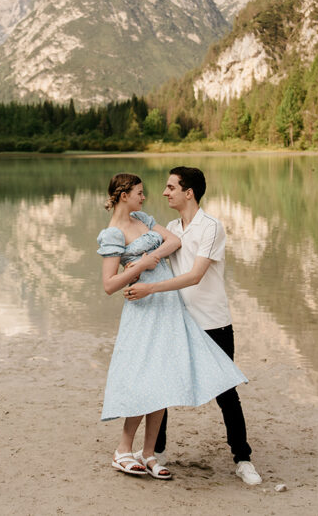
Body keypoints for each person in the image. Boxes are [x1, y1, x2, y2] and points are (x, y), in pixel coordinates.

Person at [97, 173, 248, 480]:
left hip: (178, 307)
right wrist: (139, 267)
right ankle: (128, 450)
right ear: (124, 194)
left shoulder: (152, 219)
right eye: (140, 192)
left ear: (188, 193)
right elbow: (109, 285)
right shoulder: (113, 233)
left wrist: (144, 260)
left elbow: (177, 248)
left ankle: (154, 453)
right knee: (145, 377)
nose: (150, 195)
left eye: (168, 187)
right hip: (146, 306)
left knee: (175, 380)